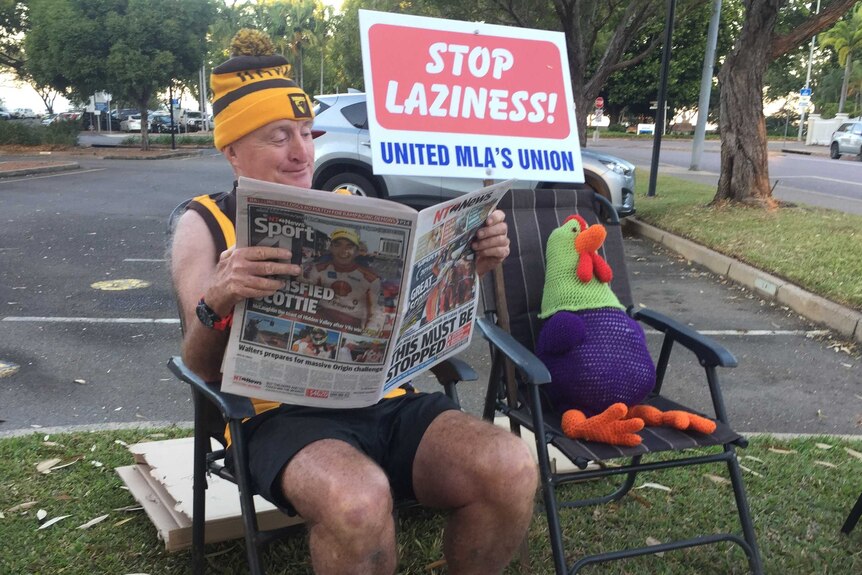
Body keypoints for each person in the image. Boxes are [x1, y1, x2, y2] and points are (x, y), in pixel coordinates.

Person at [170, 29, 536, 575]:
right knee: (357, 500)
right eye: (277, 137)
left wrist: (469, 265)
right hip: (278, 416)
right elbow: (197, 367)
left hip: (385, 399)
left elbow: (409, 312)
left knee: (509, 463)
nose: (301, 152)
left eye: (306, 133)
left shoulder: (349, 209)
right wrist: (218, 297)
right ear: (232, 151)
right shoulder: (204, 224)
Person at [304, 228, 385, 335]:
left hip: (351, 323)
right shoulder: (318, 269)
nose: (343, 251)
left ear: (357, 251)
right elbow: (306, 299)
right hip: (321, 316)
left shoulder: (371, 278)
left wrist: (369, 333)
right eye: (338, 245)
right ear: (331, 248)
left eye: (349, 246)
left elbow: (376, 313)